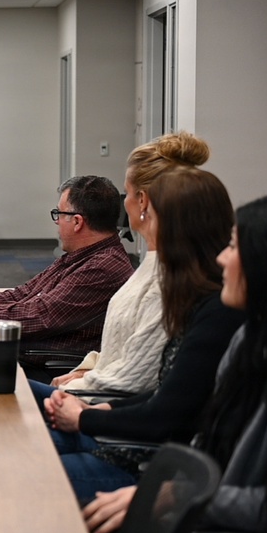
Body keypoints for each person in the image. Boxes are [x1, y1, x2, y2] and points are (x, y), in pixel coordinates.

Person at [82, 192, 267, 533]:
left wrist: (168, 497)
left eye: (234, 248)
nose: (222, 258)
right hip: (193, 500)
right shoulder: (250, 339)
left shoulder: (230, 324)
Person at [38, 167, 244, 503]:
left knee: (27, 461)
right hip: (139, 439)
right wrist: (100, 409)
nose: (142, 221)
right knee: (22, 438)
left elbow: (168, 413)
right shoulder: (191, 294)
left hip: (149, 461)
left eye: (150, 214)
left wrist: (88, 414)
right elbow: (167, 393)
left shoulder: (216, 309)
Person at [0, 175, 135, 378]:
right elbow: (24, 293)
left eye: (59, 214)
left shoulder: (102, 268)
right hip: (28, 354)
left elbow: (37, 317)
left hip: (46, 368)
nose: (56, 221)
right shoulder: (82, 256)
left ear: (77, 222)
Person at [52, 132, 211, 393]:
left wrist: (81, 384)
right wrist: (90, 367)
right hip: (94, 389)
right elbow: (124, 346)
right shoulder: (152, 263)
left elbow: (136, 378)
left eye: (126, 193)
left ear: (142, 201)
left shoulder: (167, 279)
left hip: (99, 406)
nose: (122, 203)